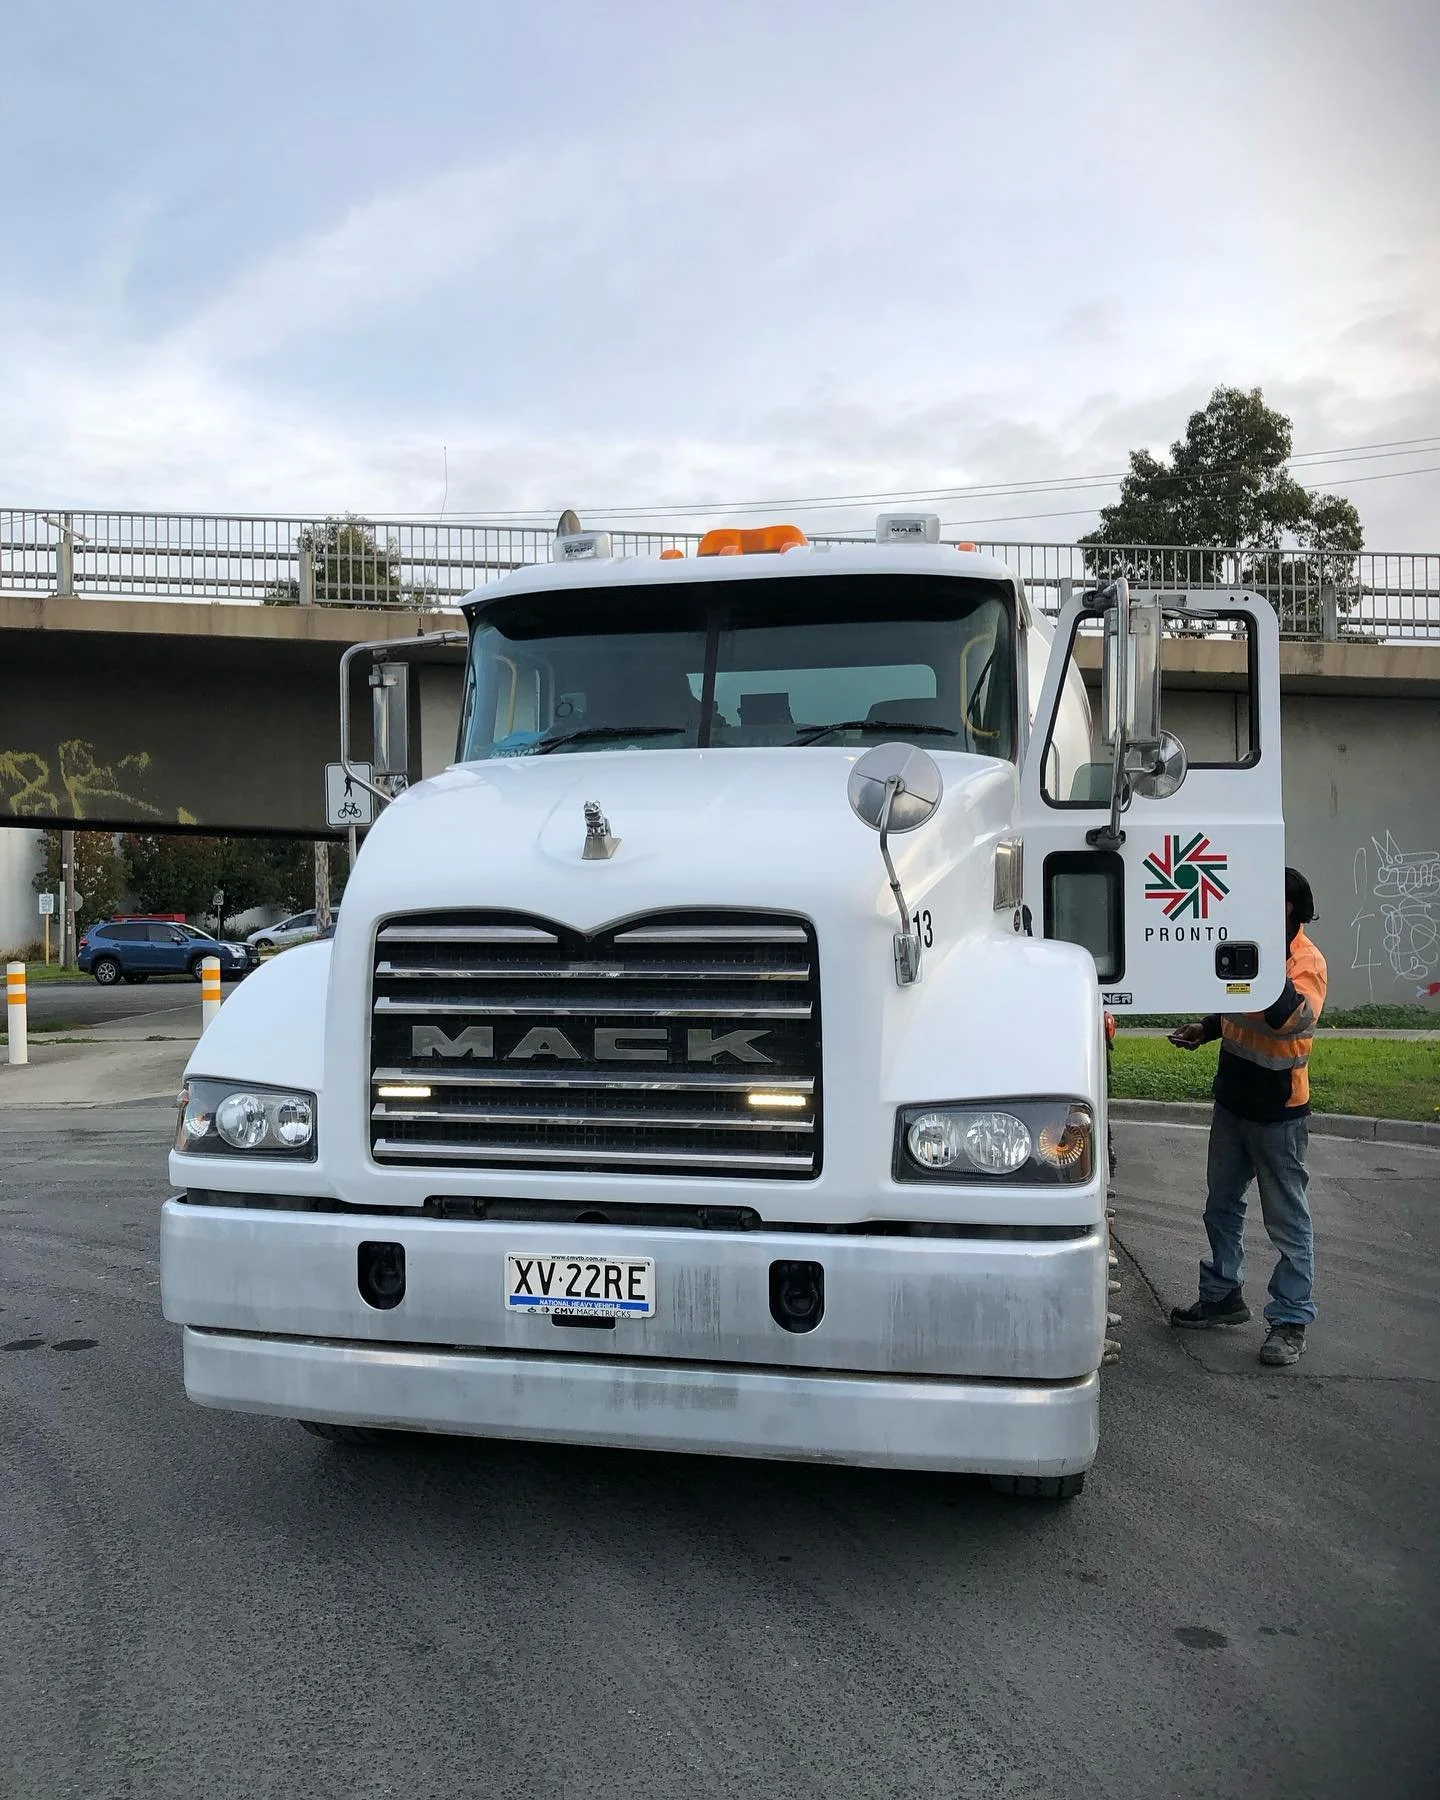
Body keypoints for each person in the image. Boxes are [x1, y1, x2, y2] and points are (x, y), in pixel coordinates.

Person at [1167, 867, 1328, 1366]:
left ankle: (1290, 1320)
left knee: (1286, 1221)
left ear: (1288, 909)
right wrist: (1208, 1027)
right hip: (1234, 1100)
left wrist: (1256, 963)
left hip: (1279, 1112)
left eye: (1266, 900)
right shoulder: (1249, 945)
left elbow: (1289, 1019)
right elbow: (1236, 1001)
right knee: (1222, 1206)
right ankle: (1221, 1296)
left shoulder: (1305, 960)